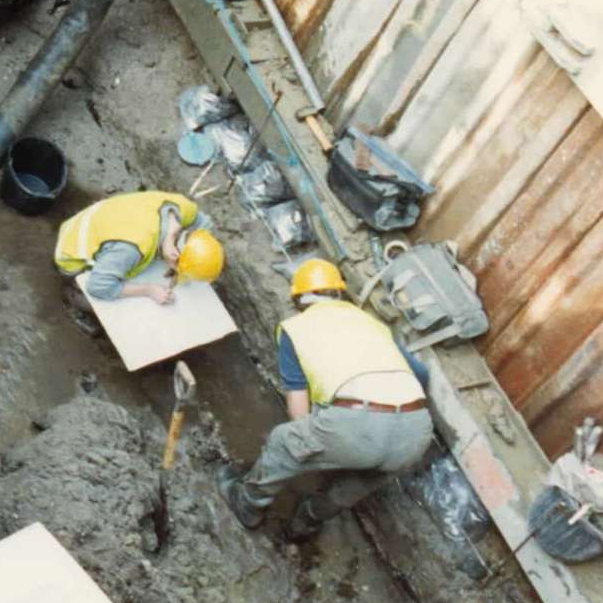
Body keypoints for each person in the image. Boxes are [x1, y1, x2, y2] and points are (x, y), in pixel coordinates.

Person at [217, 259, 434, 542]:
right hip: (417, 431)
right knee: (362, 480)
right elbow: (421, 374)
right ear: (339, 294)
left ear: (299, 299)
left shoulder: (296, 328)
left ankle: (248, 503)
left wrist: (306, 444)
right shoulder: (371, 322)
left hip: (359, 422)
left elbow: (298, 404)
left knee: (284, 441)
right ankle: (307, 520)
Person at [54, 189, 224, 307]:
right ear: (174, 254)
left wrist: (181, 259)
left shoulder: (183, 207)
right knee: (93, 299)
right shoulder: (133, 248)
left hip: (104, 219)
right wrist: (148, 290)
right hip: (70, 250)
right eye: (178, 269)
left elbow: (204, 224)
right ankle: (72, 300)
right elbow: (98, 287)